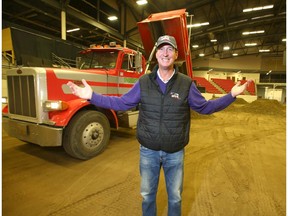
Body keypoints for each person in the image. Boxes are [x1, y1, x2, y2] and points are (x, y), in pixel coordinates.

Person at [67, 35, 250, 216]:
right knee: (147, 196)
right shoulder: (144, 82)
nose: (165, 53)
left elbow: (205, 107)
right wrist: (92, 96)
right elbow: (122, 103)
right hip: (148, 151)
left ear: (176, 54)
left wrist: (231, 95)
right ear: (156, 55)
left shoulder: (185, 84)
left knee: (175, 197)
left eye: (169, 49)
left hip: (175, 153)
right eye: (161, 49)